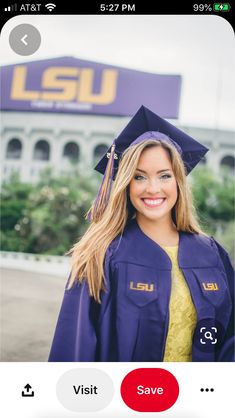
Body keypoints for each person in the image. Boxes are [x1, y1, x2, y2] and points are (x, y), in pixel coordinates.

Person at [48, 105, 234, 362]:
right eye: (139, 177)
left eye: (165, 175)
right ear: (125, 183)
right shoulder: (103, 254)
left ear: (178, 182)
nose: (153, 188)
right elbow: (74, 348)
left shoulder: (211, 254)